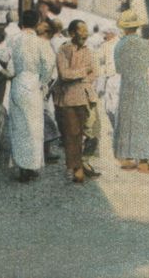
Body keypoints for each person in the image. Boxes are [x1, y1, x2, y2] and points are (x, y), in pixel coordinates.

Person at [0, 10, 54, 183]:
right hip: (34, 85)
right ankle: (32, 166)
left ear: (21, 22)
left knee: (19, 126)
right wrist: (43, 82)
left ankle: (22, 166)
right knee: (34, 127)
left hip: (17, 83)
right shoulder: (41, 43)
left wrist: (3, 72)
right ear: (38, 23)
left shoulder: (13, 39)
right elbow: (49, 65)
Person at [113, 10, 149, 173]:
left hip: (126, 84)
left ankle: (127, 157)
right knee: (143, 119)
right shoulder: (145, 44)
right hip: (142, 83)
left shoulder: (119, 45)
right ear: (136, 27)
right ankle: (143, 159)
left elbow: (118, 68)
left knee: (126, 119)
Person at [54, 19, 100, 183]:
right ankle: (74, 167)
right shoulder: (64, 50)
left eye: (86, 31)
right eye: (81, 31)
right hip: (68, 97)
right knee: (72, 134)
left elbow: (95, 72)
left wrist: (79, 75)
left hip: (86, 96)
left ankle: (81, 162)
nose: (84, 34)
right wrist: (82, 72)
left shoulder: (89, 49)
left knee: (91, 132)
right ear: (72, 33)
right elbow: (64, 74)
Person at [36, 18, 61, 164]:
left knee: (46, 117)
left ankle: (46, 151)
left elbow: (53, 73)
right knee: (42, 118)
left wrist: (48, 90)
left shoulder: (46, 45)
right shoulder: (40, 43)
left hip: (44, 86)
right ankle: (43, 152)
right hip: (38, 85)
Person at [98, 27, 121, 129]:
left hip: (116, 77)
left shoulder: (109, 44)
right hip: (112, 77)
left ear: (111, 33)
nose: (104, 36)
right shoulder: (109, 44)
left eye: (106, 33)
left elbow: (99, 59)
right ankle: (116, 128)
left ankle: (117, 129)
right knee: (111, 105)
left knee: (112, 105)